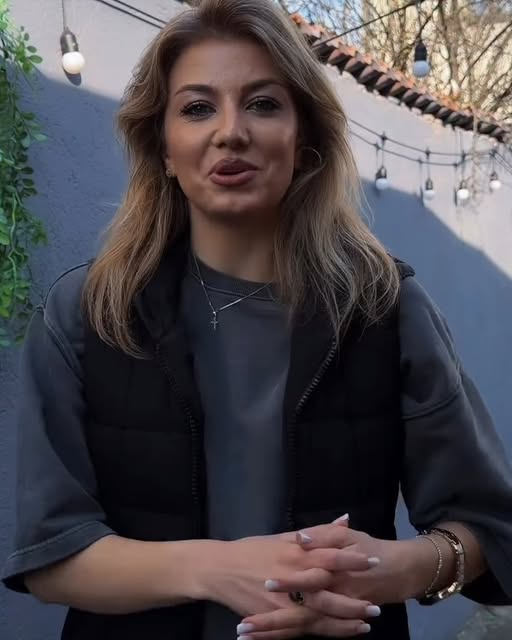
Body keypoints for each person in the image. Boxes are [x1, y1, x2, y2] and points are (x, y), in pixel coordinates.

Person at [2, 0, 512, 638]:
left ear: (304, 142)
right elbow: (51, 555)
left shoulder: (386, 307)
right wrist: (215, 569)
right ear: (162, 148)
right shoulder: (88, 312)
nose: (230, 132)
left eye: (263, 104)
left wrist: (399, 569)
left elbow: (489, 527)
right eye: (197, 108)